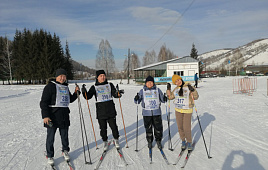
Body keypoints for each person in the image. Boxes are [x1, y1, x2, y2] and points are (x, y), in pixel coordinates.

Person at [40, 68, 80, 165]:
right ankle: (50, 155)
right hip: (51, 116)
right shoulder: (50, 86)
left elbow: (69, 100)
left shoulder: (65, 87)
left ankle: (65, 150)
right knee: (50, 137)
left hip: (64, 115)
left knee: (64, 135)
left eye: (64, 76)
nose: (62, 78)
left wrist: (76, 93)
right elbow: (43, 102)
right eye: (60, 76)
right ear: (56, 76)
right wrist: (45, 116)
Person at [81, 70, 123, 151]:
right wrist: (84, 92)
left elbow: (115, 94)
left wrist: (118, 94)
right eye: (101, 76)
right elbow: (88, 97)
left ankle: (116, 139)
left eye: (104, 75)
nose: (103, 77)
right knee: (103, 128)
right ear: (97, 77)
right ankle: (105, 141)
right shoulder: (94, 87)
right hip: (101, 111)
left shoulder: (110, 85)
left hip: (110, 109)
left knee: (114, 127)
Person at [134, 75, 167, 149]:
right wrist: (136, 98)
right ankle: (149, 141)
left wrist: (164, 98)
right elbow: (137, 101)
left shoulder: (157, 90)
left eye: (151, 82)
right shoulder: (142, 91)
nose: (149, 84)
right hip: (146, 113)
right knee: (148, 128)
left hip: (156, 112)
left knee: (158, 128)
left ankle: (158, 141)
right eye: (148, 82)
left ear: (153, 83)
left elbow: (162, 100)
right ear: (145, 83)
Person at [166, 74, 198, 151]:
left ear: (181, 79)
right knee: (180, 127)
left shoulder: (188, 86)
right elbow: (170, 97)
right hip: (178, 110)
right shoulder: (176, 89)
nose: (178, 82)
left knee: (186, 128)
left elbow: (196, 97)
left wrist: (193, 90)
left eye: (178, 80)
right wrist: (168, 89)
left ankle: (189, 141)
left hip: (187, 110)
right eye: (176, 81)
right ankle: (183, 141)